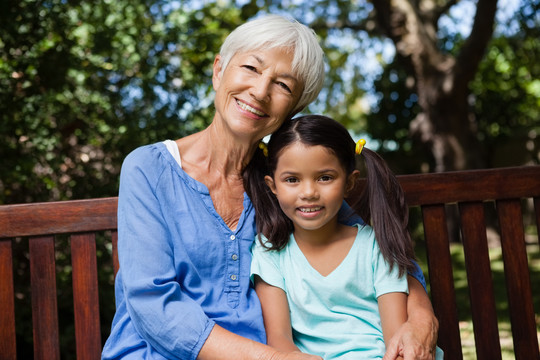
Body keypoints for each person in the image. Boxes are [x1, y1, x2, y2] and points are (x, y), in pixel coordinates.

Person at [102, 14, 439, 360]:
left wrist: (422, 320)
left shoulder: (286, 182)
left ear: (293, 109)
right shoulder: (149, 168)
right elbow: (152, 304)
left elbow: (379, 251)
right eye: (250, 67)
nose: (260, 91)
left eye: (283, 85)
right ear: (219, 71)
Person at [247, 115, 444, 359]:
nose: (308, 192)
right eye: (292, 180)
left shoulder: (375, 246)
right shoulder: (270, 253)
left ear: (350, 182)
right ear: (273, 185)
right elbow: (279, 338)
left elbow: (396, 338)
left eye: (325, 177)